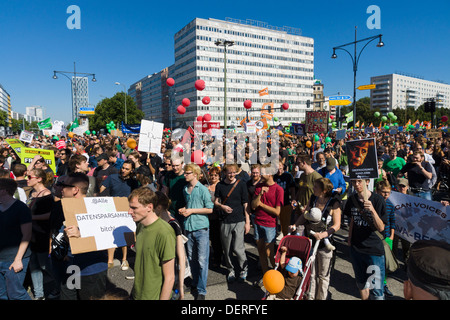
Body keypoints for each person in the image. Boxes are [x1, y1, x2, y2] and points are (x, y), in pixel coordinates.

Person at [58, 173, 109, 300]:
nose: (61, 189)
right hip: (71, 267)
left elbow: (109, 234)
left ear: (75, 190)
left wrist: (82, 233)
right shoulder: (66, 207)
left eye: (64, 186)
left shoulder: (98, 208)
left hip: (92, 270)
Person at [289, 178, 341, 300]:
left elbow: (337, 225)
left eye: (316, 187)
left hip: (324, 244)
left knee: (323, 276)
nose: (313, 189)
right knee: (310, 274)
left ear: (324, 190)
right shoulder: (313, 198)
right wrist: (295, 225)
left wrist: (323, 235)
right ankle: (310, 297)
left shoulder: (334, 203)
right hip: (310, 241)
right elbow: (305, 215)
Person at [128, 187, 176, 300]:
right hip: (137, 294)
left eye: (134, 208)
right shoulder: (140, 226)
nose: (129, 211)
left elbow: (170, 278)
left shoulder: (164, 232)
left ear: (149, 207)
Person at [343, 178, 387, 300]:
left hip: (374, 250)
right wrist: (350, 238)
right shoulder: (352, 199)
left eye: (359, 181)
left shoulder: (378, 200)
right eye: (354, 182)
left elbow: (381, 227)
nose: (356, 185)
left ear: (367, 182)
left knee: (377, 289)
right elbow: (352, 219)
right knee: (361, 283)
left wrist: (372, 210)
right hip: (356, 249)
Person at [179, 163, 214, 300]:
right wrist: (184, 209)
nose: (185, 175)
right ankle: (195, 282)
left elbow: (210, 209)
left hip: (201, 228)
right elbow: (190, 205)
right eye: (185, 172)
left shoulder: (203, 189)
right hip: (189, 227)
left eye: (187, 173)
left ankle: (201, 290)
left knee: (202, 260)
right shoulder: (185, 188)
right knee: (192, 258)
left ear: (195, 174)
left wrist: (191, 211)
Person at [100, 160, 139, 271]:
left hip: (127, 211)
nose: (123, 170)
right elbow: (102, 189)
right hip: (112, 210)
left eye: (127, 169)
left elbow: (135, 196)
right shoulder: (112, 177)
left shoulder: (133, 182)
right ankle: (110, 260)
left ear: (131, 170)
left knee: (125, 235)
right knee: (111, 234)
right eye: (123, 167)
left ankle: (124, 259)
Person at [214, 163, 250, 283]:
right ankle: (231, 269)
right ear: (224, 173)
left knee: (238, 247)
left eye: (233, 172)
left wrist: (247, 221)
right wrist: (222, 207)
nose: (231, 174)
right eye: (229, 172)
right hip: (225, 220)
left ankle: (243, 268)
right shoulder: (220, 185)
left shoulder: (241, 184)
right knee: (227, 248)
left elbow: (245, 203)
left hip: (239, 219)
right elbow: (216, 202)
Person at [0, 178, 32, 300]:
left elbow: (27, 235)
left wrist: (18, 259)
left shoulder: (21, 208)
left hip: (14, 258)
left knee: (16, 294)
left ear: (4, 191)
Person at [251, 164, 284, 281]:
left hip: (270, 225)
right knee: (261, 251)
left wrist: (262, 204)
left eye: (263, 171)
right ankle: (266, 277)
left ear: (270, 174)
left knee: (270, 253)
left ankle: (277, 275)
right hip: (257, 222)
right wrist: (260, 194)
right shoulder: (259, 186)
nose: (260, 174)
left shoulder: (279, 190)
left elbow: (276, 212)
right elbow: (253, 206)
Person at [26, 167, 54, 300]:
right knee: (34, 266)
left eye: (30, 177)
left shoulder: (47, 194)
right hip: (30, 235)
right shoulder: (32, 192)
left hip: (42, 235)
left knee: (44, 265)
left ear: (39, 179)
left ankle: (61, 286)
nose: (27, 179)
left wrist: (31, 218)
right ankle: (39, 294)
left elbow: (50, 215)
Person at [154, 191, 187, 300]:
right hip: (158, 271)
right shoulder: (155, 223)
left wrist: (180, 287)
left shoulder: (173, 224)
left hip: (172, 273)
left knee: (173, 295)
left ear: (158, 207)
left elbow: (181, 256)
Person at [375, 180, 396, 298]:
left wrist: (391, 236)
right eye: (383, 192)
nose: (386, 195)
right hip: (375, 238)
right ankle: (374, 284)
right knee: (375, 263)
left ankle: (384, 284)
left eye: (388, 192)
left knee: (385, 264)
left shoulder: (390, 205)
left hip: (387, 238)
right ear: (377, 191)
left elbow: (393, 221)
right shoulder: (373, 204)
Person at [207, 166, 224, 268]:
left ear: (219, 176)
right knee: (213, 238)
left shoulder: (221, 186)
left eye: (216, 175)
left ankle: (221, 256)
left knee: (221, 239)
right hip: (209, 216)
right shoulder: (206, 187)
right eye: (212, 175)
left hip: (220, 216)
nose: (213, 177)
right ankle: (217, 257)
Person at [273, 162, 295, 240]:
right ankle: (280, 233)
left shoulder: (288, 176)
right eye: (277, 169)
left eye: (281, 169)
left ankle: (286, 236)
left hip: (286, 202)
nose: (279, 171)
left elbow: (292, 189)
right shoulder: (273, 176)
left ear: (283, 168)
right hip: (275, 203)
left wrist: (293, 199)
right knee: (276, 220)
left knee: (286, 221)